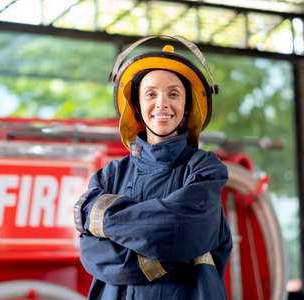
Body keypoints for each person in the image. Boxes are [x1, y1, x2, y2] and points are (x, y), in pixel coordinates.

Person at [74, 35, 232, 300]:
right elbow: (92, 253)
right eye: (150, 94)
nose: (162, 103)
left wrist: (103, 221)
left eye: (174, 93)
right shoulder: (109, 176)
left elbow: (178, 231)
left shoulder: (204, 170)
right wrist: (163, 252)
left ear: (187, 105)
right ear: (136, 105)